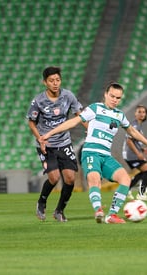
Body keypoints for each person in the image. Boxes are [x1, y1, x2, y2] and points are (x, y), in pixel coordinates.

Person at [41, 82, 147, 224]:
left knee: (125, 179)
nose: (115, 100)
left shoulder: (119, 115)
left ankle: (112, 215)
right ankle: (98, 210)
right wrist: (50, 133)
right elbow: (74, 122)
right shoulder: (95, 108)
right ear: (105, 94)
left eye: (118, 98)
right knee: (95, 180)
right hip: (91, 152)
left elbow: (132, 132)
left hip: (106, 155)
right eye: (112, 96)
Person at [27, 66, 84, 222]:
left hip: (64, 143)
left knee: (70, 179)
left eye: (57, 80)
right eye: (51, 81)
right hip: (46, 144)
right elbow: (31, 122)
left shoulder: (68, 96)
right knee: (54, 178)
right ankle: (42, 201)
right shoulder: (38, 101)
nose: (55, 83)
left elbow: (80, 115)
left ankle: (59, 210)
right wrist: (40, 138)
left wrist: (90, 130)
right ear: (44, 82)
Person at [122, 104, 147, 201]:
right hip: (131, 154)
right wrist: (138, 153)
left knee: (144, 171)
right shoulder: (134, 125)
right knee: (146, 170)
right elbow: (129, 141)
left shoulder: (138, 125)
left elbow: (135, 141)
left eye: (144, 112)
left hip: (132, 153)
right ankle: (141, 193)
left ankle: (127, 189)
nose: (142, 114)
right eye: (139, 112)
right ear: (135, 114)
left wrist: (142, 149)